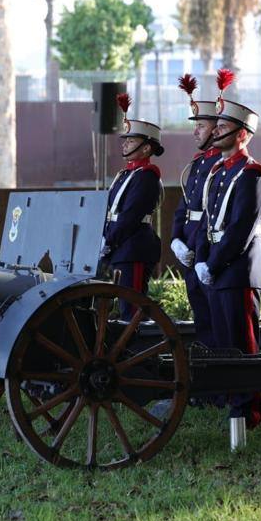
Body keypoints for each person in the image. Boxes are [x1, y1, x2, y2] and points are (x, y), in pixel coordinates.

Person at [194, 69, 261, 429]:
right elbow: (206, 221)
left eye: (223, 126)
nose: (216, 131)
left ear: (242, 134)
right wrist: (200, 258)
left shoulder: (251, 174)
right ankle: (232, 407)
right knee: (224, 344)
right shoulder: (218, 172)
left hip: (238, 270)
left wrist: (213, 263)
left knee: (242, 345)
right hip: (217, 268)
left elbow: (240, 230)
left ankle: (247, 413)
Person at [169, 73, 221, 346]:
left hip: (208, 252)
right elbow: (185, 205)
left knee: (216, 324)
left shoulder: (220, 164)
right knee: (202, 321)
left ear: (216, 129)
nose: (195, 132)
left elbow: (212, 213)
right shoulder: (199, 162)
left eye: (201, 125)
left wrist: (199, 253)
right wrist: (176, 239)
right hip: (190, 249)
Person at [101, 92, 164, 318]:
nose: (125, 144)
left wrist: (109, 241)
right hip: (120, 247)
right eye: (125, 140)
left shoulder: (146, 176)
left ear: (146, 148)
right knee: (121, 308)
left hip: (133, 248)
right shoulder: (126, 174)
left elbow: (131, 216)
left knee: (132, 309)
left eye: (131, 140)